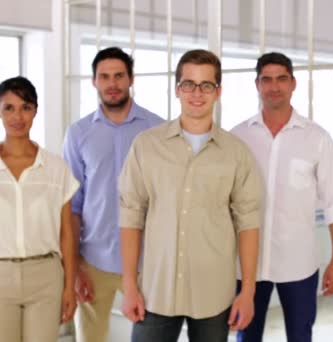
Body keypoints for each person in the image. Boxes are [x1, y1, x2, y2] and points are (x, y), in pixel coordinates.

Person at [119, 49, 261, 342]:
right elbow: (131, 215)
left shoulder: (236, 153)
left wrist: (247, 292)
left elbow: (248, 224)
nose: (197, 93)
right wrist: (130, 285)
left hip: (214, 294)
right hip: (155, 292)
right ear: (176, 89)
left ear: (218, 91)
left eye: (206, 85)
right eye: (188, 84)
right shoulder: (146, 146)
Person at [231, 52, 333, 342]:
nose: (274, 87)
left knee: (300, 336)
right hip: (247, 265)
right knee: (246, 337)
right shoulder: (237, 137)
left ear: (293, 83)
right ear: (257, 84)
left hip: (299, 264)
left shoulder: (317, 138)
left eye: (281, 79)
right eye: (267, 79)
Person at [63, 46, 164, 342]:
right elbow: (72, 206)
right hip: (94, 261)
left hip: (148, 261)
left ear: (131, 79)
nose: (112, 83)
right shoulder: (79, 133)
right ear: (94, 81)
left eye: (119, 75)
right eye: (104, 76)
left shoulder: (156, 129)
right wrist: (76, 267)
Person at [0, 76, 79, 341]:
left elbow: (67, 232)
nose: (17, 116)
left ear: (35, 110)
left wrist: (69, 287)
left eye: (25, 107)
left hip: (46, 277)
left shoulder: (56, 167)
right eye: (8, 108)